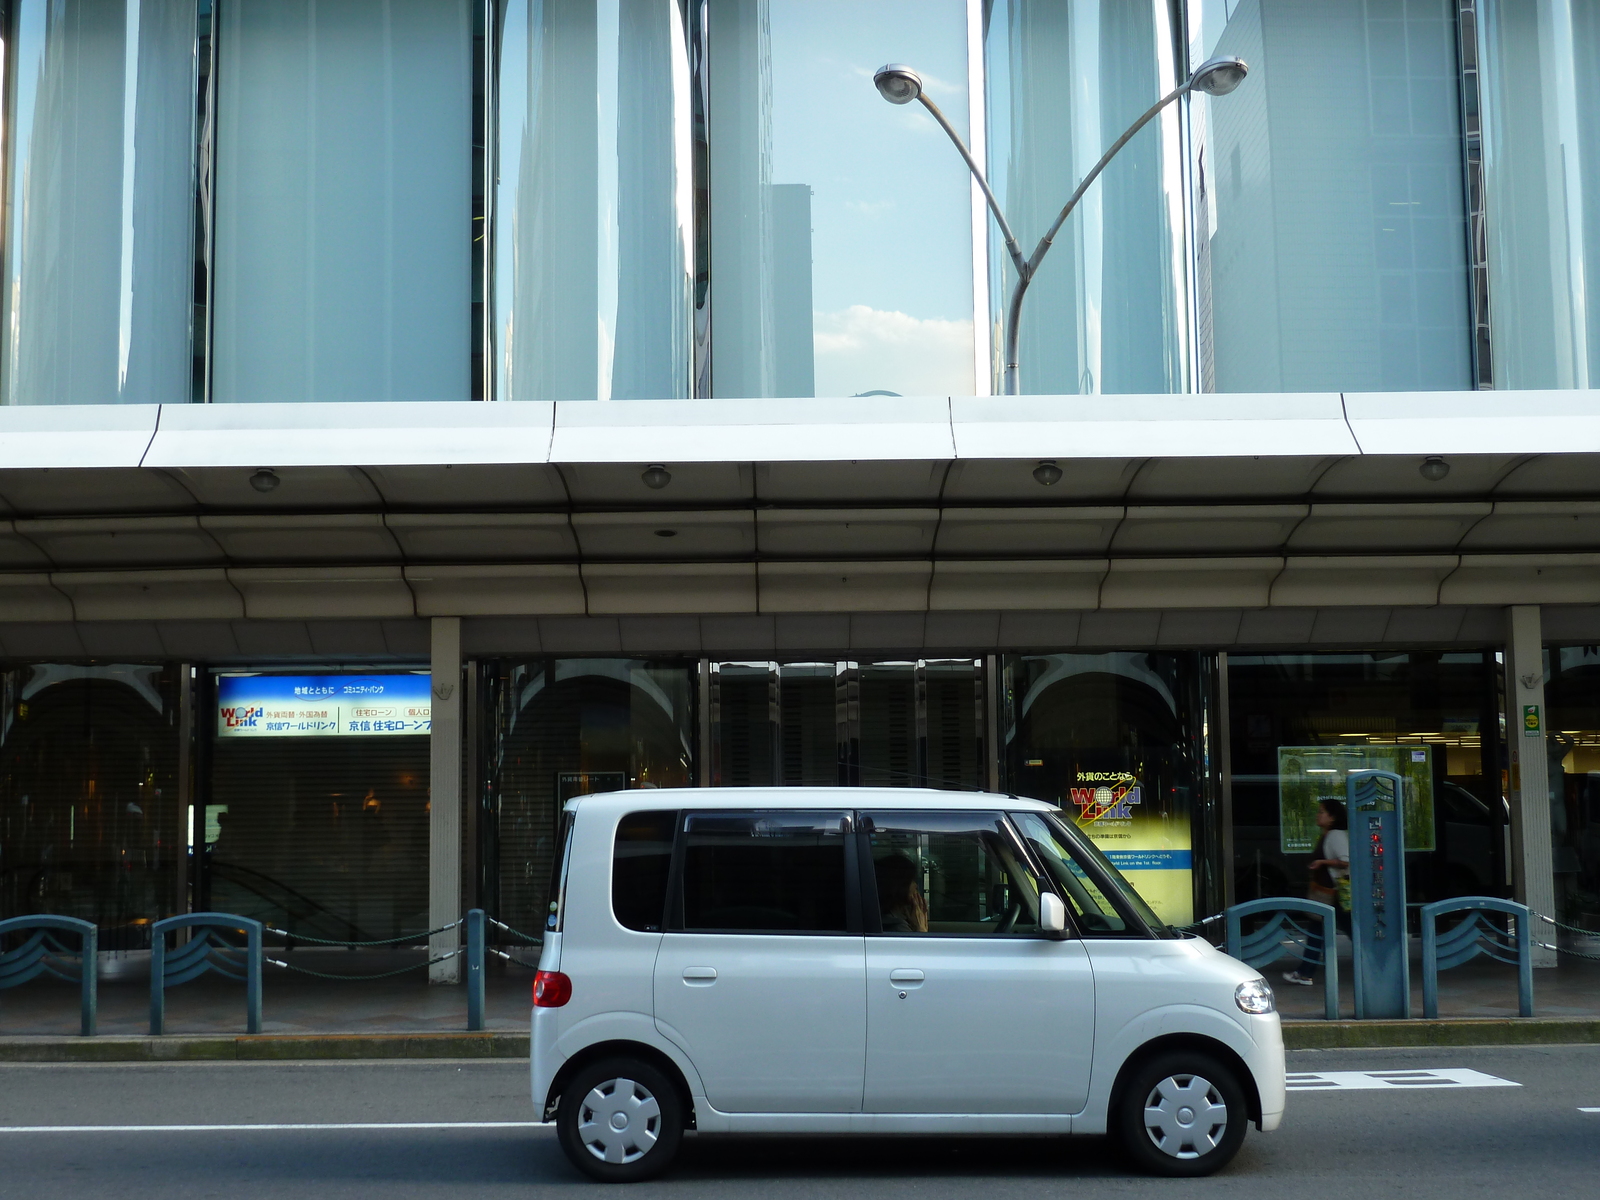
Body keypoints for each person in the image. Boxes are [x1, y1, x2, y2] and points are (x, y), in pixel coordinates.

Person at [1283, 798, 1349, 986]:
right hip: (1328, 894)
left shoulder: (1335, 836)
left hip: (1335, 894)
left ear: (1332, 817)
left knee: (1343, 930)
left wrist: (1322, 862)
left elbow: (1346, 861)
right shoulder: (1328, 835)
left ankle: (1305, 973)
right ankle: (1305, 972)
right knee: (1315, 931)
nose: (1318, 815)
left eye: (1322, 812)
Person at [874, 853, 929, 933]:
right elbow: (920, 945)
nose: (915, 885)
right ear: (901, 884)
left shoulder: (889, 918)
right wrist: (921, 929)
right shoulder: (896, 926)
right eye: (912, 880)